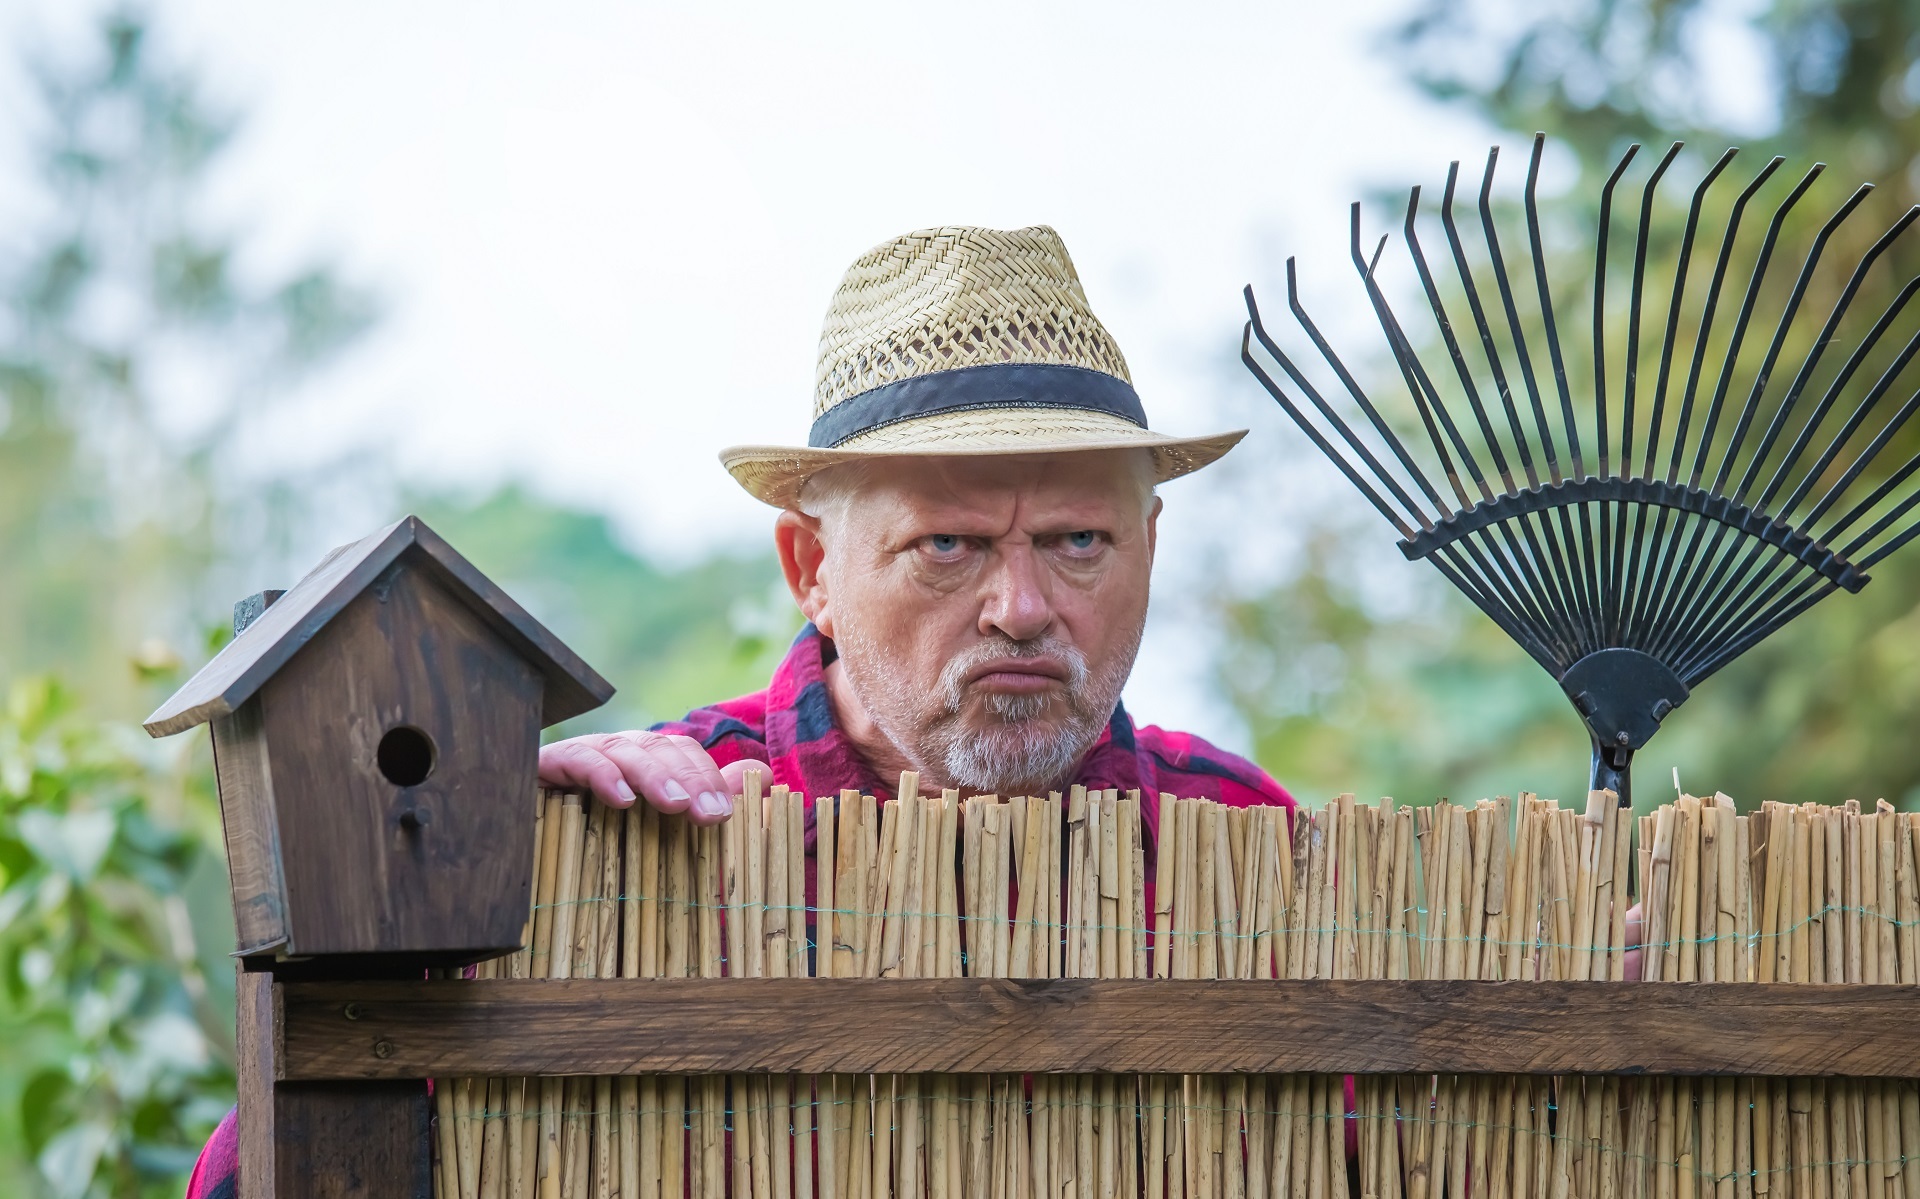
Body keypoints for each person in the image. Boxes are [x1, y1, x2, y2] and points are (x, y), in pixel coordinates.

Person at [181, 224, 1291, 1199]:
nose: (1021, 607)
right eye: (947, 544)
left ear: (1149, 549)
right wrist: (458, 914)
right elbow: (264, 1170)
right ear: (811, 565)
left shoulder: (1255, 845)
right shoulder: (636, 835)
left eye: (1078, 541)